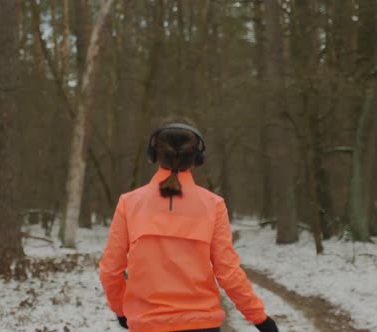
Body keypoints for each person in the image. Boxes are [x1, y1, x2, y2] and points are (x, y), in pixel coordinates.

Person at [99, 121, 279, 332]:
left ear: (153, 154)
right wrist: (259, 318)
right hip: (202, 325)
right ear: (197, 158)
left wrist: (121, 310)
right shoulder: (213, 205)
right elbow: (228, 273)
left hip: (147, 324)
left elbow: (111, 270)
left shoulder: (129, 203)